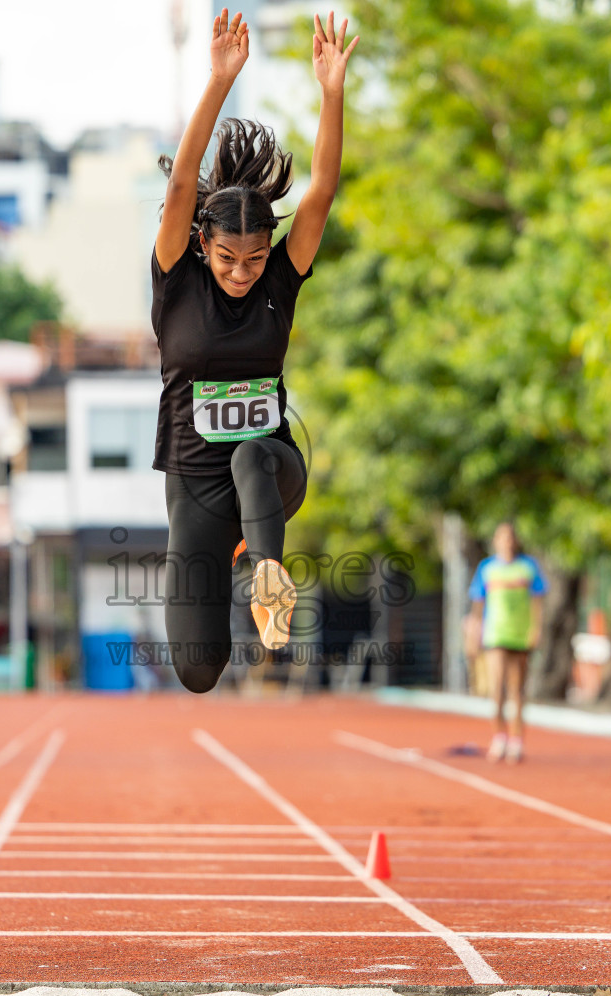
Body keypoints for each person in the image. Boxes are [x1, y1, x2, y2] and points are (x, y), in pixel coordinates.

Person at [152, 10, 357, 693]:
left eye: (255, 258)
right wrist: (217, 82)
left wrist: (332, 92)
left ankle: (270, 574)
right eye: (229, 259)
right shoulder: (176, 283)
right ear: (202, 247)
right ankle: (237, 569)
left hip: (271, 469)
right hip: (195, 485)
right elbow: (182, 187)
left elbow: (321, 194)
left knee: (250, 453)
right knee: (199, 669)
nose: (242, 272)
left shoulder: (278, 284)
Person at [465, 522, 546, 763]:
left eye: (510, 537)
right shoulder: (487, 568)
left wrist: (535, 629)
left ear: (515, 541)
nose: (507, 542)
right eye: (502, 538)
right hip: (495, 634)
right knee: (496, 687)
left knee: (517, 689)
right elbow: (477, 605)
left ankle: (517, 741)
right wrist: (473, 634)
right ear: (496, 541)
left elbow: (537, 602)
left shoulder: (527, 567)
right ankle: (499, 737)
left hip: (520, 635)